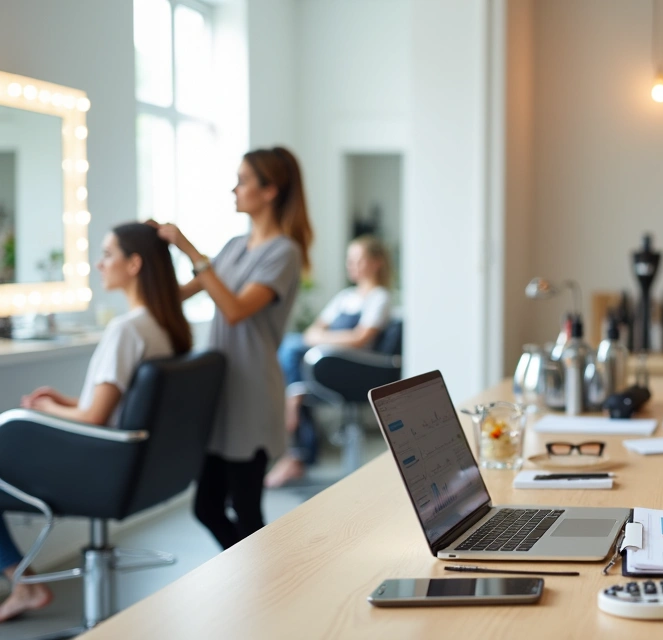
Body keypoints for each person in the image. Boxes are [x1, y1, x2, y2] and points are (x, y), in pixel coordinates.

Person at [0, 223, 192, 622]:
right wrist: (64, 401)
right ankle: (24, 584)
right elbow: (121, 405)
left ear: (134, 264)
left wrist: (43, 411)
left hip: (102, 470)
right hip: (137, 469)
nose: (99, 263)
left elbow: (94, 417)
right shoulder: (164, 326)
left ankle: (24, 583)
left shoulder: (126, 330)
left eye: (107, 254)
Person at [153, 146, 311, 550]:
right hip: (221, 393)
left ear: (269, 190)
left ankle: (266, 582)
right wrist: (151, 255)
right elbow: (181, 294)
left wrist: (190, 250)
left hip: (252, 395)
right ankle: (251, 575)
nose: (234, 189)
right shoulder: (233, 247)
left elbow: (236, 309)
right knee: (207, 507)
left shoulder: (284, 252)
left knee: (246, 508)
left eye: (242, 181)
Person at [264, 235, 393, 488]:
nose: (352, 265)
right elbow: (312, 331)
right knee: (291, 346)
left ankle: (293, 408)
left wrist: (323, 340)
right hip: (327, 361)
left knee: (292, 349)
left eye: (359, 259)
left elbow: (360, 338)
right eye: (349, 260)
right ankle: (296, 417)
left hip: (353, 367)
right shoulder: (345, 297)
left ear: (376, 262)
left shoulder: (379, 297)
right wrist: (326, 338)